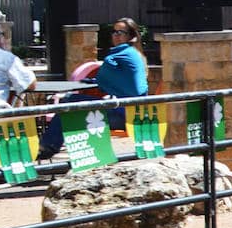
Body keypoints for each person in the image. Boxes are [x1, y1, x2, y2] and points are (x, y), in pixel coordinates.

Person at [41, 16, 150, 156]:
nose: (115, 35)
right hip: (133, 112)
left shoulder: (119, 55)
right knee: (74, 103)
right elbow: (117, 83)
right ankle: (56, 146)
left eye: (120, 33)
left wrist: (95, 81)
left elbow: (103, 78)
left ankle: (49, 146)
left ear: (131, 36)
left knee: (69, 102)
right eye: (114, 32)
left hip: (123, 115)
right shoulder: (135, 54)